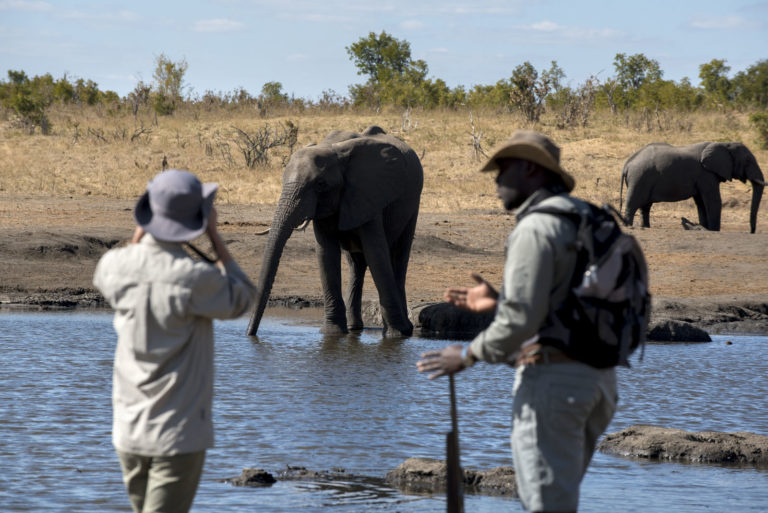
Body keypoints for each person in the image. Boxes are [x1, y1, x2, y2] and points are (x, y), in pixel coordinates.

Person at [417, 131, 617, 513]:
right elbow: (561, 304)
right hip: (599, 383)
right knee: (560, 501)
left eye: (502, 168)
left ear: (530, 169)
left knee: (546, 506)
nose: (494, 179)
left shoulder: (535, 228)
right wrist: (498, 302)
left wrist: (469, 354)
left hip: (554, 384)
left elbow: (520, 321)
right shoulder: (587, 218)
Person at [93, 169, 257, 513]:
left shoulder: (113, 267)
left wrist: (144, 227)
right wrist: (214, 236)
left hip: (128, 431)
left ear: (149, 213)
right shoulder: (196, 279)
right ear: (197, 218)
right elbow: (243, 297)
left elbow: (122, 263)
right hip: (177, 436)